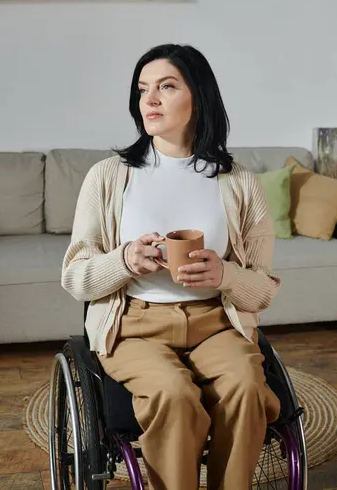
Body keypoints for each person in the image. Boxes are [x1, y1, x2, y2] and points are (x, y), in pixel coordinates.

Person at [62, 44, 281, 490]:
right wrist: (124, 260)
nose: (150, 99)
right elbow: (75, 277)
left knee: (247, 389)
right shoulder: (109, 176)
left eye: (166, 86)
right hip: (132, 325)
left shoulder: (239, 183)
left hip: (216, 322)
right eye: (143, 89)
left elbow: (262, 289)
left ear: (197, 97)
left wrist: (226, 276)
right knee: (175, 396)